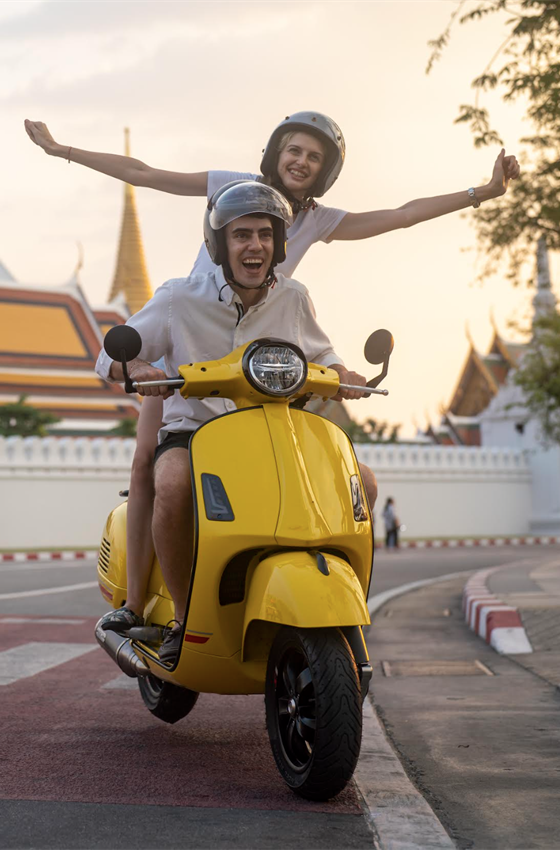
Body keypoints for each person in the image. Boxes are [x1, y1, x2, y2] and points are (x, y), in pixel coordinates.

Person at [27, 111, 520, 633]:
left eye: (314, 156)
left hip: (263, 363)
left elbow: (402, 215)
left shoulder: (309, 242)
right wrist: (64, 151)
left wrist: (483, 192)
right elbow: (147, 174)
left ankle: (333, 605)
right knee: (154, 472)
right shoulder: (226, 199)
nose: (302, 162)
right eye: (294, 151)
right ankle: (150, 610)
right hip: (182, 355)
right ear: (274, 153)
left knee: (357, 483)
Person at [94, 180, 370, 665]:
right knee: (174, 483)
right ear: (220, 245)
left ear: (278, 244)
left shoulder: (294, 298)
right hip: (195, 434)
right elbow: (108, 356)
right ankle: (183, 616)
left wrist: (344, 373)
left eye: (265, 234)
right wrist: (136, 368)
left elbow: (323, 353)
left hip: (274, 432)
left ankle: (346, 613)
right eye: (242, 235)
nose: (255, 246)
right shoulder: (180, 298)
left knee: (361, 481)